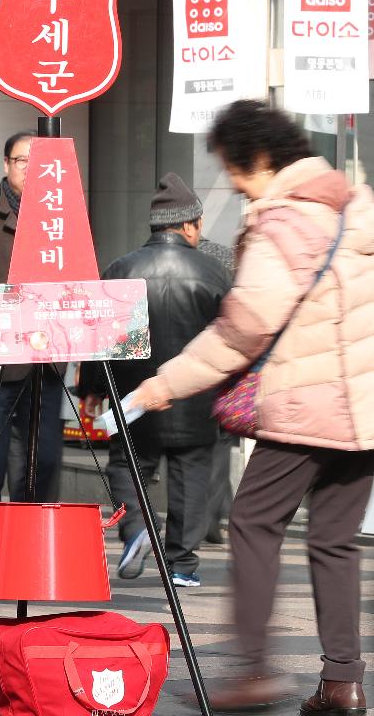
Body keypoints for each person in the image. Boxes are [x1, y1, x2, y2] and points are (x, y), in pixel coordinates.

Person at [133, 100, 374, 715]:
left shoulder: (284, 224)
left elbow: (244, 329)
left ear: (262, 160)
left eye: (235, 172)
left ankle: (253, 673)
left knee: (253, 524)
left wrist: (163, 384)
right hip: (364, 408)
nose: (235, 186)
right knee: (335, 540)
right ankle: (342, 683)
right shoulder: (359, 208)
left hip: (305, 404)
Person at [80, 173, 231, 587]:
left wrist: (92, 388)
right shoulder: (214, 272)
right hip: (196, 396)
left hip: (136, 397)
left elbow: (102, 337)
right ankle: (181, 564)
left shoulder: (122, 268)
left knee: (128, 467)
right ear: (187, 225)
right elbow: (231, 335)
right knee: (191, 475)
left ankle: (137, 533)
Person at [0, 130, 64, 531]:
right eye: (23, 161)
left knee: (45, 456)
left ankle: (31, 537)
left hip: (46, 362)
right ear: (6, 165)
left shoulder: (60, 220)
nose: (30, 169)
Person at [197, 235, 236, 545]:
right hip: (220, 366)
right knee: (219, 445)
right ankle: (213, 516)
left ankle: (217, 512)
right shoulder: (227, 260)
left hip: (186, 367)